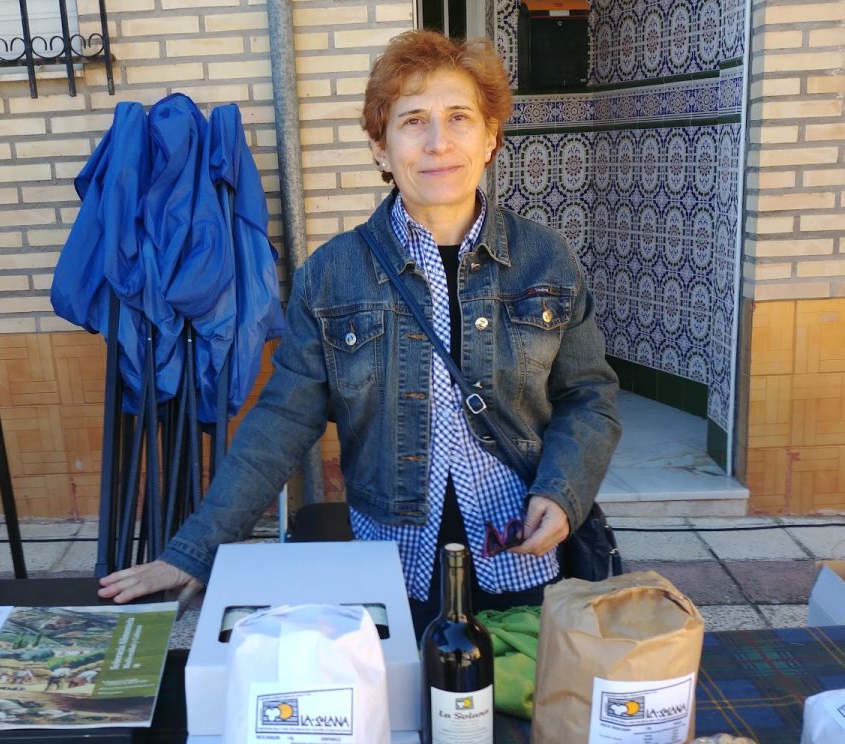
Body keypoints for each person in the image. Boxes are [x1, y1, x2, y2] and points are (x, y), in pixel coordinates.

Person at [100, 30, 621, 634]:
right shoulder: (333, 275)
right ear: (380, 148)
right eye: (412, 121)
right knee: (403, 711)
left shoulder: (545, 259)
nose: (437, 142)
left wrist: (563, 491)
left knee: (517, 719)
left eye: (459, 118)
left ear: (490, 138)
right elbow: (282, 421)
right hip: (395, 567)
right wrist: (195, 548)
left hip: (524, 557)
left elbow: (589, 396)